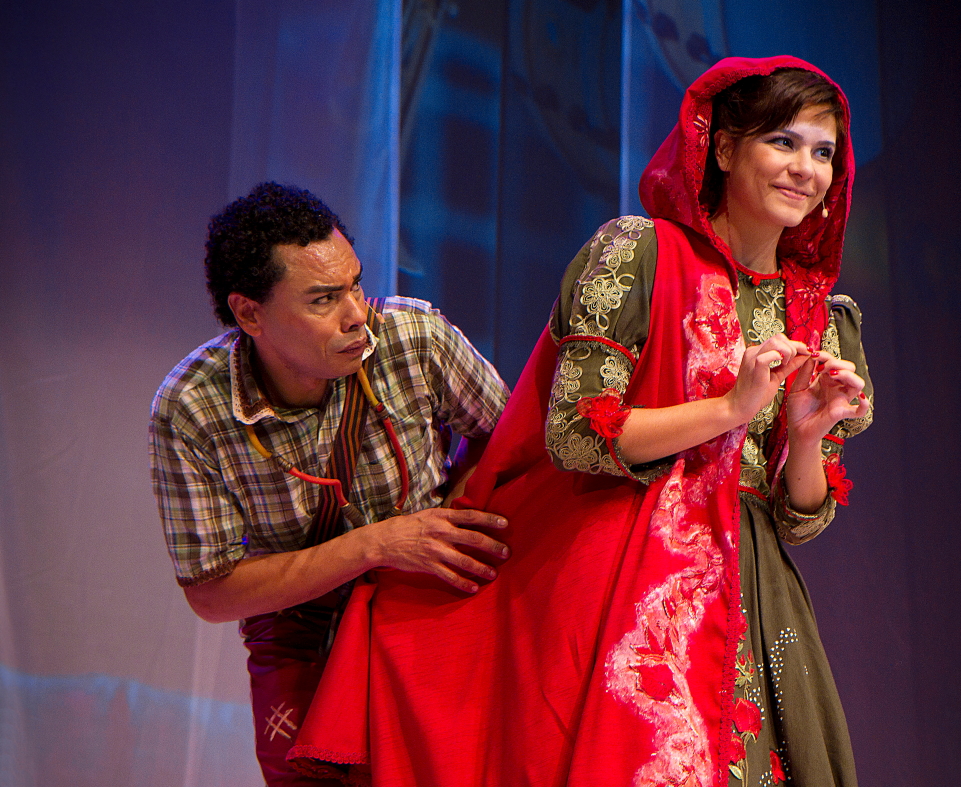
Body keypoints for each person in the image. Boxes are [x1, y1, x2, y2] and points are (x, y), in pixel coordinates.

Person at [291, 55, 871, 787]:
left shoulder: (821, 315)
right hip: (624, 575)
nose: (805, 169)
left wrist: (807, 434)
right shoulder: (640, 253)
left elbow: (798, 517)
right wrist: (730, 408)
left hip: (754, 591)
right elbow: (578, 432)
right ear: (723, 149)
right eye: (782, 142)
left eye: (823, 152)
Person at [148, 182, 511, 786]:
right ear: (249, 314)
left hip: (428, 597)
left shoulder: (414, 337)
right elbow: (211, 594)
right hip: (300, 627)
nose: (356, 316)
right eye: (323, 300)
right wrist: (377, 544)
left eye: (355, 286)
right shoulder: (192, 407)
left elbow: (508, 439)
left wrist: (449, 516)